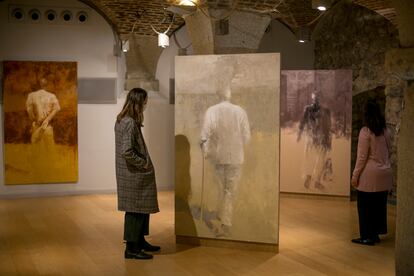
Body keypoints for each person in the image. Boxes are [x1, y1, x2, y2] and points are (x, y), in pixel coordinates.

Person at [115, 88, 160, 259]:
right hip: (133, 174)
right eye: (145, 102)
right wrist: (144, 164)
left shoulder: (123, 120)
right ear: (138, 102)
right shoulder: (129, 123)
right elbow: (126, 151)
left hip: (132, 174)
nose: (146, 105)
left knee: (141, 209)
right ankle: (132, 249)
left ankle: (140, 241)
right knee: (135, 211)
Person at [200, 83, 251, 236]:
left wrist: (205, 150)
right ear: (230, 95)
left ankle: (220, 216)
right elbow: (247, 137)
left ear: (218, 95)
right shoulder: (240, 111)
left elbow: (204, 135)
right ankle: (225, 222)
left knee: (220, 189)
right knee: (230, 191)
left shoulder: (212, 111)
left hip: (218, 156)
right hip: (236, 157)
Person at [351, 100, 393, 246]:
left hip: (370, 175)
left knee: (364, 206)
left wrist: (355, 176)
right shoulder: (386, 131)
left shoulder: (365, 131)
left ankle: (366, 236)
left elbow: (361, 158)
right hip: (385, 173)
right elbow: (390, 150)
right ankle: (375, 235)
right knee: (379, 206)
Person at [297, 92, 332, 190]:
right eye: (314, 99)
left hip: (319, 138)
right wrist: (299, 135)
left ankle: (315, 180)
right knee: (314, 158)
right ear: (312, 99)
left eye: (317, 99)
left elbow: (328, 127)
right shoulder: (308, 109)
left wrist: (328, 140)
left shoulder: (325, 111)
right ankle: (312, 179)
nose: (316, 101)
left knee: (319, 159)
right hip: (313, 138)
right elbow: (302, 123)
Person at [26, 78, 61, 145]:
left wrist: (33, 120)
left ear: (38, 85)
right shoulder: (52, 96)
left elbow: (29, 110)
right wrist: (47, 120)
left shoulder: (31, 96)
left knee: (36, 151)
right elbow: (57, 108)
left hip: (37, 126)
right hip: (47, 127)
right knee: (49, 152)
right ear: (46, 85)